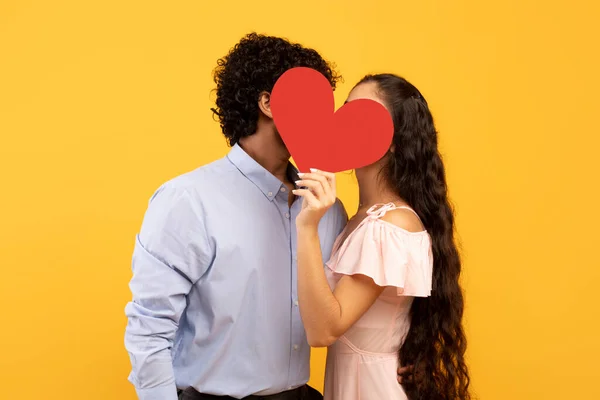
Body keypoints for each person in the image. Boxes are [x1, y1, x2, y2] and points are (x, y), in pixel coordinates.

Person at [124, 33, 347, 400]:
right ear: (268, 103)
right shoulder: (189, 200)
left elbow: (344, 308)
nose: (326, 119)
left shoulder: (327, 209)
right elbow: (148, 330)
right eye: (314, 102)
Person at [293, 74, 471, 400]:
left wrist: (306, 227)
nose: (342, 123)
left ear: (391, 140)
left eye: (362, 115)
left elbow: (322, 330)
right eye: (344, 111)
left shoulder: (386, 228)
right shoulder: (361, 219)